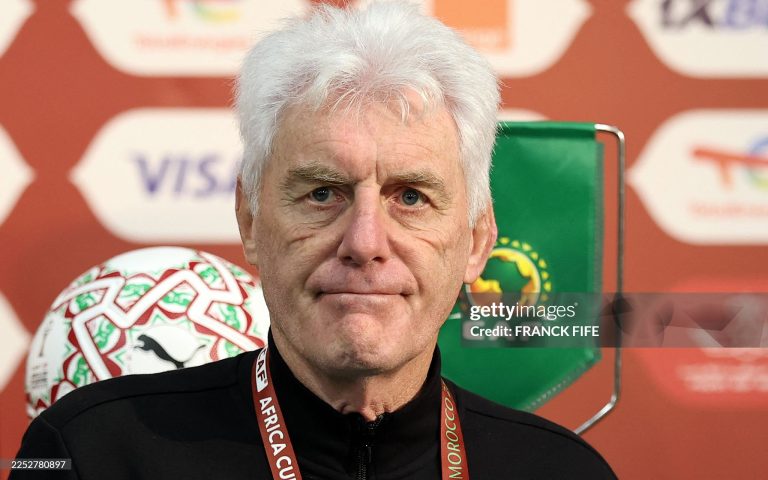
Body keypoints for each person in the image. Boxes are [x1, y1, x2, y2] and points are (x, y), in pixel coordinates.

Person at [13, 2, 617, 478]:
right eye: (323, 193)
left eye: (410, 197)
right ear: (250, 220)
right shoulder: (91, 452)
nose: (365, 242)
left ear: (477, 240)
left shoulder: (564, 471)